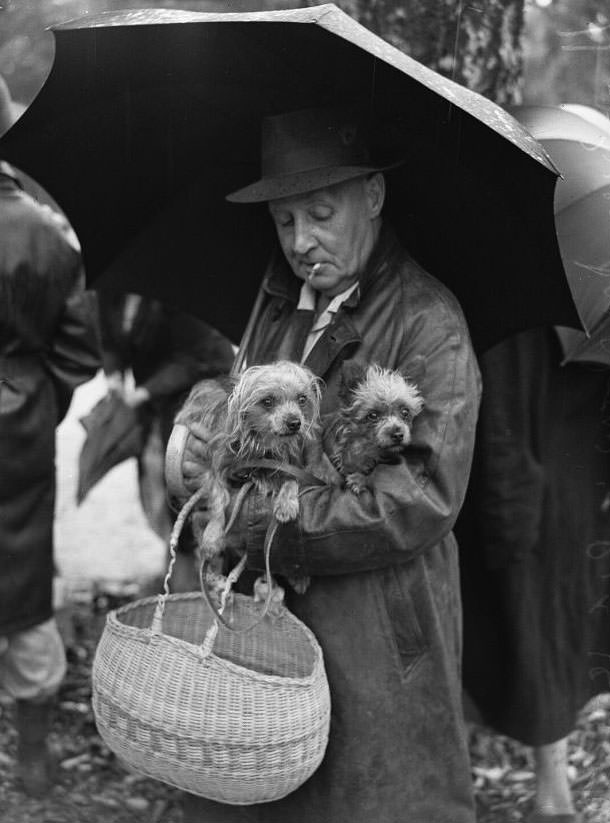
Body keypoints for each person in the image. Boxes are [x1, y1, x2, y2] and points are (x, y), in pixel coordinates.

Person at [176, 106, 481, 823]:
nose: (301, 242)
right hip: (267, 630)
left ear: (372, 196)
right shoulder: (274, 300)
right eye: (284, 222)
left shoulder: (428, 323)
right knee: (259, 793)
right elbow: (242, 427)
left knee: (364, 801)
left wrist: (258, 523)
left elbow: (417, 499)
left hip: (375, 641)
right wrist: (193, 459)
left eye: (319, 213)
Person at [456, 328, 610, 823]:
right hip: (564, 485)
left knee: (539, 633)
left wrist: (507, 519)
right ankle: (546, 784)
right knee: (545, 633)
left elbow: (504, 413)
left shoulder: (522, 305)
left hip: (533, 491)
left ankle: (551, 793)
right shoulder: (588, 288)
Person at [0, 160, 100, 797]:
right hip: (22, 436)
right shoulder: (53, 234)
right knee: (23, 575)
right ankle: (33, 760)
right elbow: (79, 354)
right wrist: (33, 402)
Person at [95, 291, 235, 589]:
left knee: (187, 497)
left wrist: (146, 390)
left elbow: (201, 357)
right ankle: (174, 574)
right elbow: (110, 340)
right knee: (158, 491)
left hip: (192, 409)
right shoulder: (110, 293)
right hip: (153, 411)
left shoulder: (176, 296)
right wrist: (113, 375)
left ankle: (189, 588)